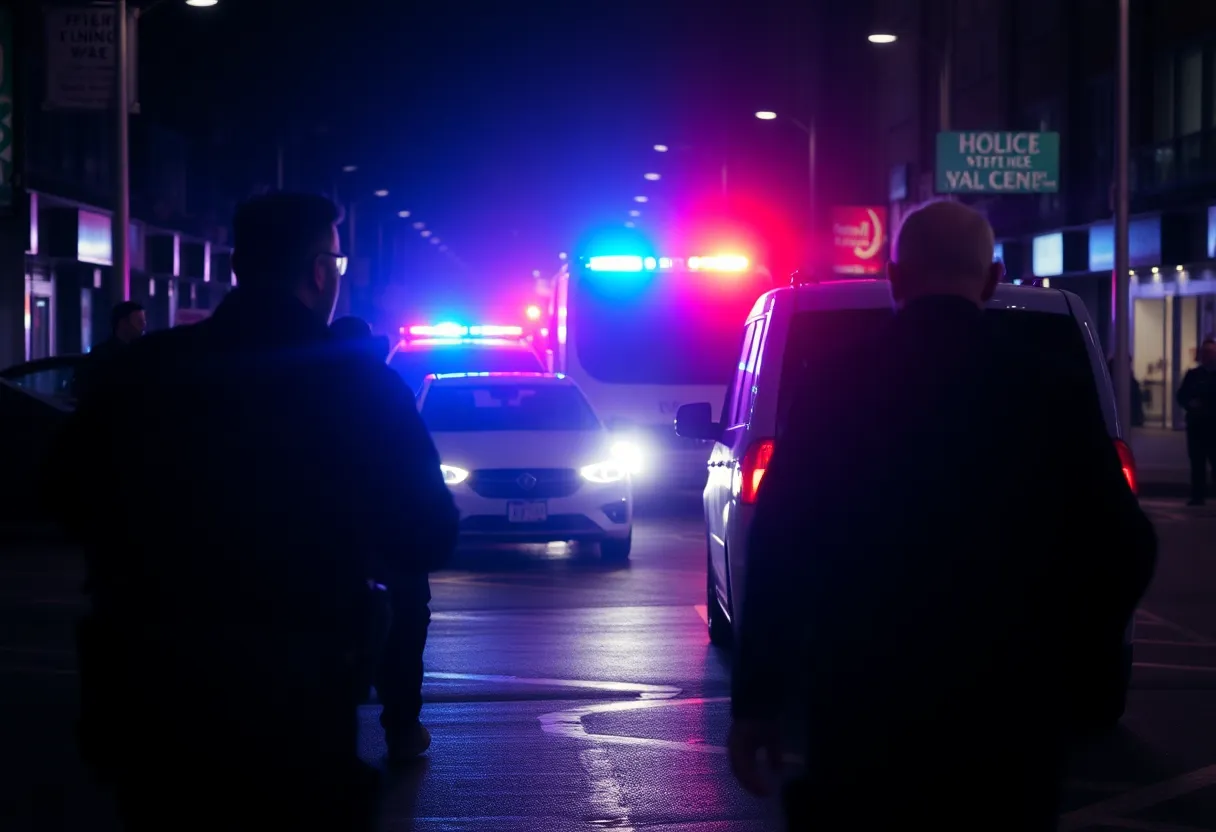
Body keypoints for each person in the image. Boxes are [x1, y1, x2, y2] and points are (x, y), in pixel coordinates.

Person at [728, 200, 1157, 831]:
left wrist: (758, 703)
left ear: (895, 277)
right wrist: (1071, 669)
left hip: (864, 705)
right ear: (992, 277)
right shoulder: (1047, 387)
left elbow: (779, 547)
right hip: (1004, 713)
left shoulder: (838, 385)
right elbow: (1124, 545)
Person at [47, 192, 459, 830]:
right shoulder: (357, 386)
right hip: (297, 700)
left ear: (238, 266)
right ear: (319, 272)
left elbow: (66, 495)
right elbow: (428, 532)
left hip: (156, 693)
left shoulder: (147, 372)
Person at [329, 314, 433, 761]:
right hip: (390, 532)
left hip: (328, 535)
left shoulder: (303, 388)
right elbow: (417, 465)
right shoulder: (389, 388)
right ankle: (402, 727)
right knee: (406, 628)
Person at [73, 301, 146, 399]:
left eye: (144, 321)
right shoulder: (101, 356)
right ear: (123, 323)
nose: (143, 326)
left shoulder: (143, 353)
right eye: (139, 322)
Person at [1177, 337, 1216, 505]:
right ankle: (1197, 496)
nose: (1208, 355)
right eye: (1205, 352)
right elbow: (1181, 395)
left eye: (1211, 352)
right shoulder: (1193, 375)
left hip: (1213, 425)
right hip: (1196, 425)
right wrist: (1190, 404)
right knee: (1197, 462)